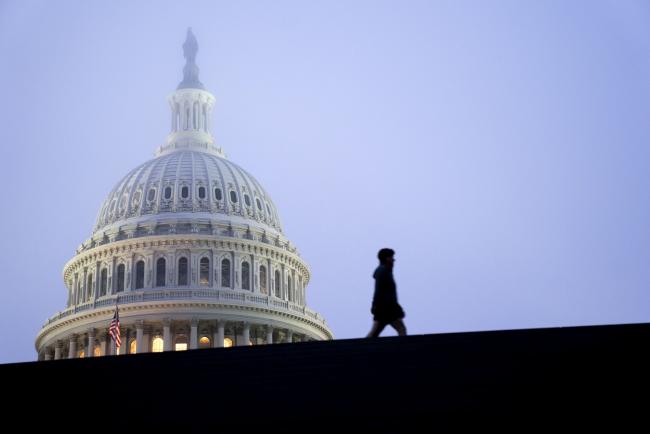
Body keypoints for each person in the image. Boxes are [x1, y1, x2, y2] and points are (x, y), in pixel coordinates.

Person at [366, 248, 407, 337]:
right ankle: (404, 348)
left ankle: (361, 348)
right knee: (401, 328)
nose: (393, 260)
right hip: (386, 309)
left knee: (375, 332)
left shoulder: (386, 272)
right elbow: (379, 291)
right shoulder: (382, 271)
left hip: (386, 309)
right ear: (386, 258)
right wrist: (375, 305)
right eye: (391, 257)